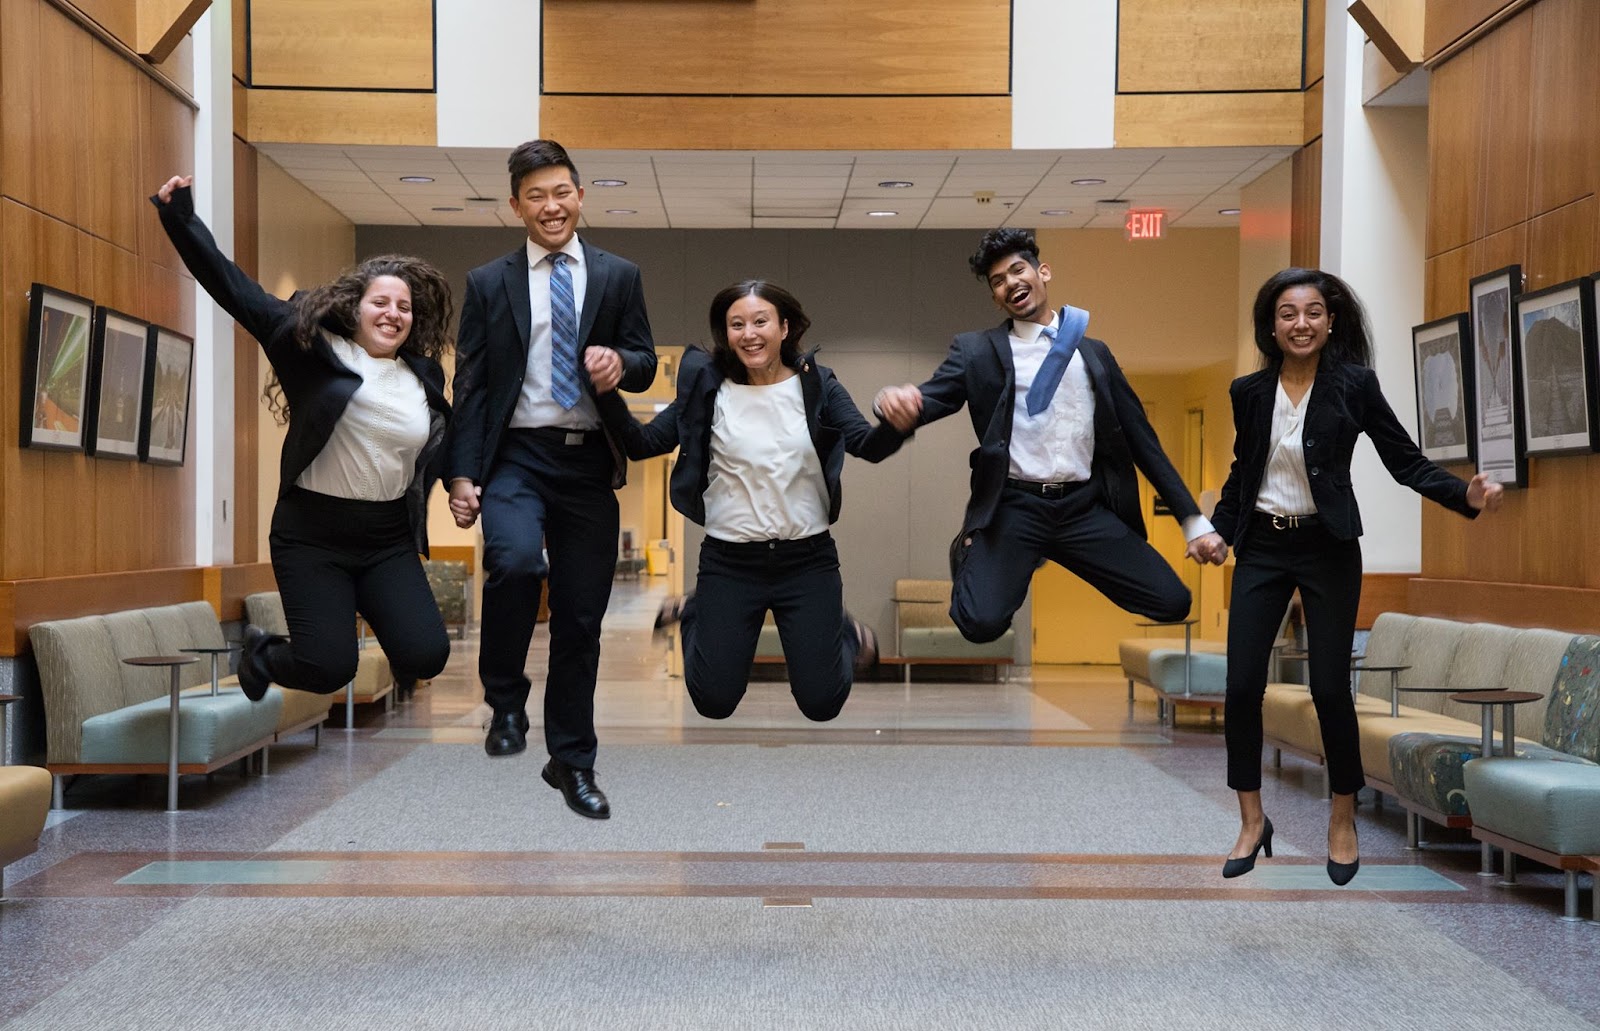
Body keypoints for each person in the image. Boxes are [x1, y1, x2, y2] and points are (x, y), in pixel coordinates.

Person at [1195, 268, 1504, 885]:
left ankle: (1342, 817)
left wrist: (1463, 496)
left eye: (1313, 312)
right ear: (1272, 325)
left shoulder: (1354, 385)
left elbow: (1404, 460)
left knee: (1330, 688)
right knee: (1241, 687)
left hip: (1328, 546)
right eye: (1288, 313)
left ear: (1331, 321)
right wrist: (1218, 532)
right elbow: (1242, 475)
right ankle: (1251, 820)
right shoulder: (1248, 392)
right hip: (1262, 546)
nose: (1301, 324)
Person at [151, 175, 454, 703]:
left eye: (404, 307)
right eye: (381, 302)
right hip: (313, 534)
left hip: (387, 539)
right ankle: (263, 653)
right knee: (328, 666)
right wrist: (181, 219)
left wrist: (461, 482)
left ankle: (340, 623)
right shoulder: (310, 347)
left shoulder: (423, 376)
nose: (393, 314)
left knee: (426, 655)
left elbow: (436, 443)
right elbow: (235, 290)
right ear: (355, 306)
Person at [874, 227, 1215, 649]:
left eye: (1018, 270)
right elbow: (927, 401)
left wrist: (1194, 523)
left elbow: (1143, 442)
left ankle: (1046, 550)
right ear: (996, 298)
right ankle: (978, 552)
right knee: (979, 625)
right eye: (998, 281)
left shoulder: (1094, 353)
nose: (1011, 283)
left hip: (1082, 508)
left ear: (1043, 273)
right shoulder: (976, 351)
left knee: (1173, 601)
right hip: (1016, 507)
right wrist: (889, 401)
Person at [447, 140, 657, 821]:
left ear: (580, 196)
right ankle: (506, 699)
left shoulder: (619, 275)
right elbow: (472, 385)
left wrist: (620, 363)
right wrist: (462, 472)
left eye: (561, 192)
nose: (551, 206)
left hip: (588, 460)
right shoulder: (489, 282)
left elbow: (645, 359)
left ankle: (572, 760)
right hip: (516, 455)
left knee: (580, 619)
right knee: (513, 561)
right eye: (536, 196)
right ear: (516, 206)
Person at [594, 281, 912, 721]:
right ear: (726, 334)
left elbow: (866, 445)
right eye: (737, 325)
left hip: (806, 560)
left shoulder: (817, 385)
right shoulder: (708, 389)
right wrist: (606, 393)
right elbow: (642, 443)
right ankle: (695, 612)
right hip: (730, 562)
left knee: (822, 703)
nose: (749, 334)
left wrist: (897, 424)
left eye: (760, 321)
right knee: (713, 701)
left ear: (785, 328)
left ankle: (845, 632)